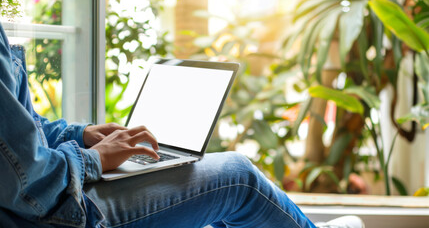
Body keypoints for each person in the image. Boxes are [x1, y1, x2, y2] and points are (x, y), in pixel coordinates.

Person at [0, 21, 364, 228]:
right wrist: (92, 159)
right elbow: (28, 182)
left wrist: (80, 135)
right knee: (237, 176)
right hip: (55, 214)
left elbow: (17, 137)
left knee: (204, 181)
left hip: (50, 200)